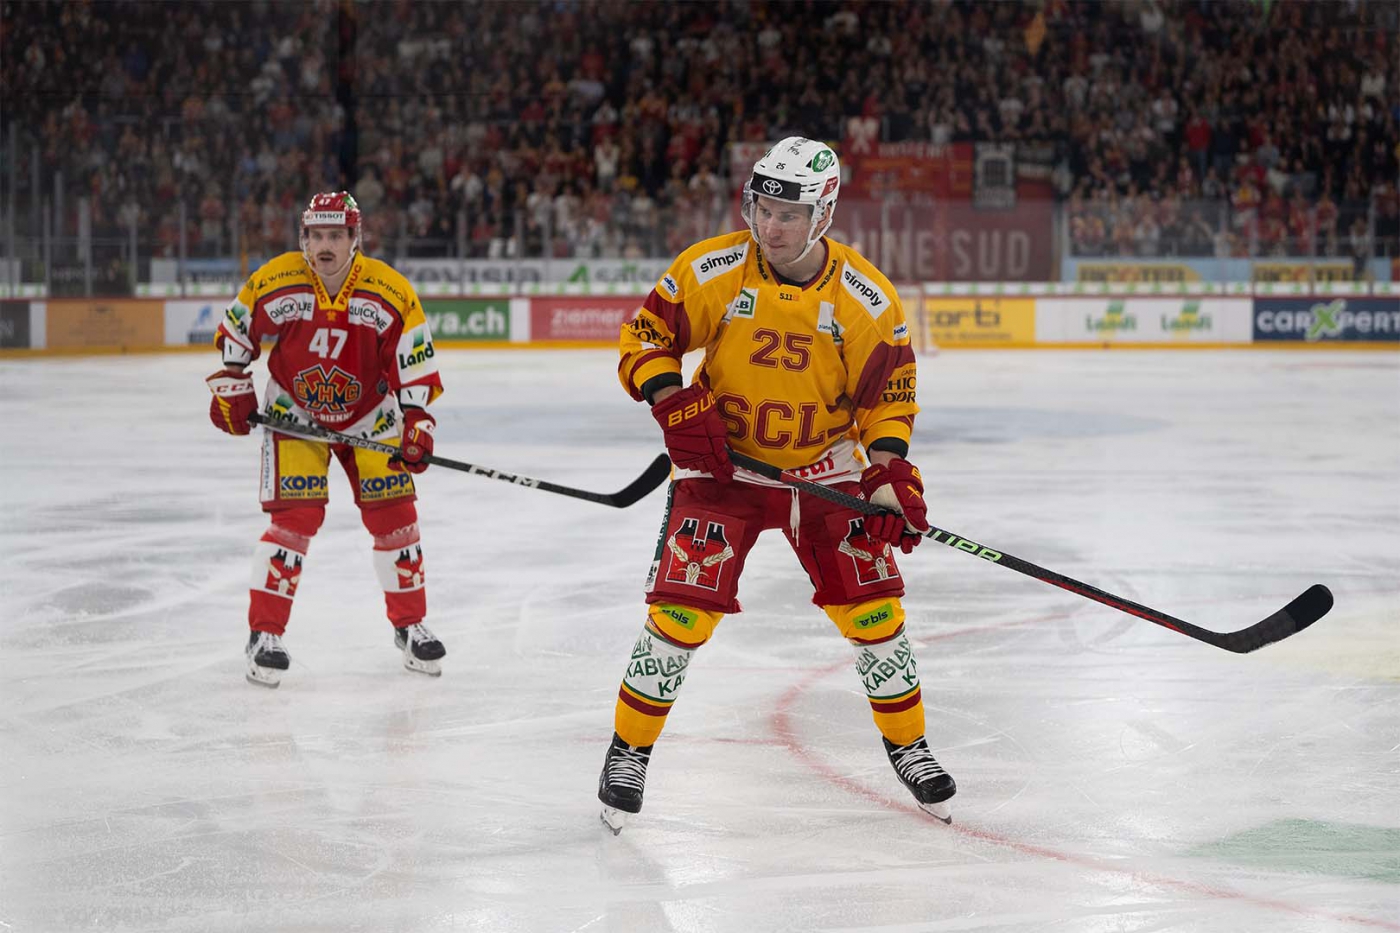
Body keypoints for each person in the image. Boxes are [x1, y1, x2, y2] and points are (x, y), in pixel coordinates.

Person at [598, 137, 955, 833]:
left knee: (875, 614)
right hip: (724, 468)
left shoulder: (865, 296)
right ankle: (628, 752)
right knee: (679, 615)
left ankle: (909, 745)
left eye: (788, 214)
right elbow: (644, 338)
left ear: (823, 214)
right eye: (762, 208)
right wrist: (673, 400)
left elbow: (889, 397)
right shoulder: (713, 268)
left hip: (826, 471)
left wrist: (887, 474)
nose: (770, 225)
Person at [206, 191, 447, 687]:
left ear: (355, 239)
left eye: (336, 235)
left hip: (370, 416)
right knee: (293, 522)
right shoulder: (278, 278)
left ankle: (410, 626)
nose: (325, 246)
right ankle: (264, 635)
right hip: (295, 414)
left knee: (396, 518)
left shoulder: (389, 289)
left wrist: (417, 419)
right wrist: (233, 383)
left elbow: (413, 356)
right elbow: (238, 329)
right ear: (304, 238)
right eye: (317, 235)